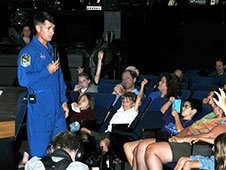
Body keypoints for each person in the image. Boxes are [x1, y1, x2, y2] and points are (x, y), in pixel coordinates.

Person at [17, 11, 69, 158]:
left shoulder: (53, 50)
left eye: (53, 28)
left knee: (64, 152)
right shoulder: (28, 52)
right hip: (40, 109)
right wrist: (46, 71)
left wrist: (64, 101)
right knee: (40, 155)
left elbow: (59, 79)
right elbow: (24, 80)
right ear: (38, 28)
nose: (52, 32)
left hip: (57, 110)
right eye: (48, 28)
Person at [141, 88, 226, 170]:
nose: (210, 102)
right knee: (141, 146)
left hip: (196, 146)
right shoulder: (210, 115)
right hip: (185, 139)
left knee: (152, 149)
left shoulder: (222, 121)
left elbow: (210, 136)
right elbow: (190, 128)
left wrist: (183, 139)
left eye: (213, 100)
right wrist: (178, 136)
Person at [123, 97, 202, 169]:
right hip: (160, 137)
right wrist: (170, 102)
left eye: (186, 106)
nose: (182, 108)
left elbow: (181, 132)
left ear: (193, 111)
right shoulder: (174, 117)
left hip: (169, 140)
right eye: (183, 105)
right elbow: (163, 110)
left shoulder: (192, 123)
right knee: (129, 147)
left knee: (141, 146)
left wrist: (176, 117)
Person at [80, 79, 148, 153]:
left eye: (127, 102)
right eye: (123, 101)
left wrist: (142, 86)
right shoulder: (120, 109)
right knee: (83, 129)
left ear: (133, 104)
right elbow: (123, 97)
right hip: (106, 132)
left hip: (116, 133)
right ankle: (86, 146)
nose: (124, 103)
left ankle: (105, 161)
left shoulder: (132, 111)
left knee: (103, 143)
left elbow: (138, 98)